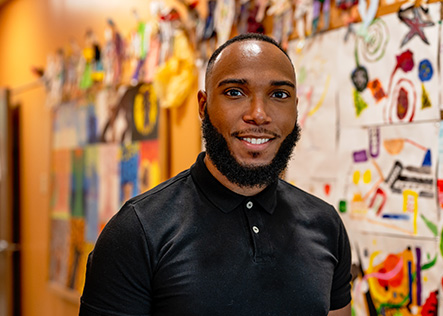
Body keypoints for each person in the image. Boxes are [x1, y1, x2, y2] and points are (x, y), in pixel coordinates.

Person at [79, 33, 352, 316]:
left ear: (296, 109)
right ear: (203, 106)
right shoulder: (137, 232)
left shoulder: (326, 225)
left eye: (279, 94)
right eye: (235, 92)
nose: (259, 114)